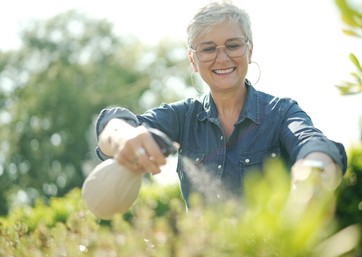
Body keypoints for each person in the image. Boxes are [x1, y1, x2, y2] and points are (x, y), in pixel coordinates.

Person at [94, 1, 347, 208]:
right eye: (208, 49)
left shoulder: (281, 112)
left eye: (233, 45)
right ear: (193, 60)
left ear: (250, 50)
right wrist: (123, 135)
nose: (222, 57)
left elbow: (312, 142)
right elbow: (112, 125)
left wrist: (313, 170)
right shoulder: (182, 117)